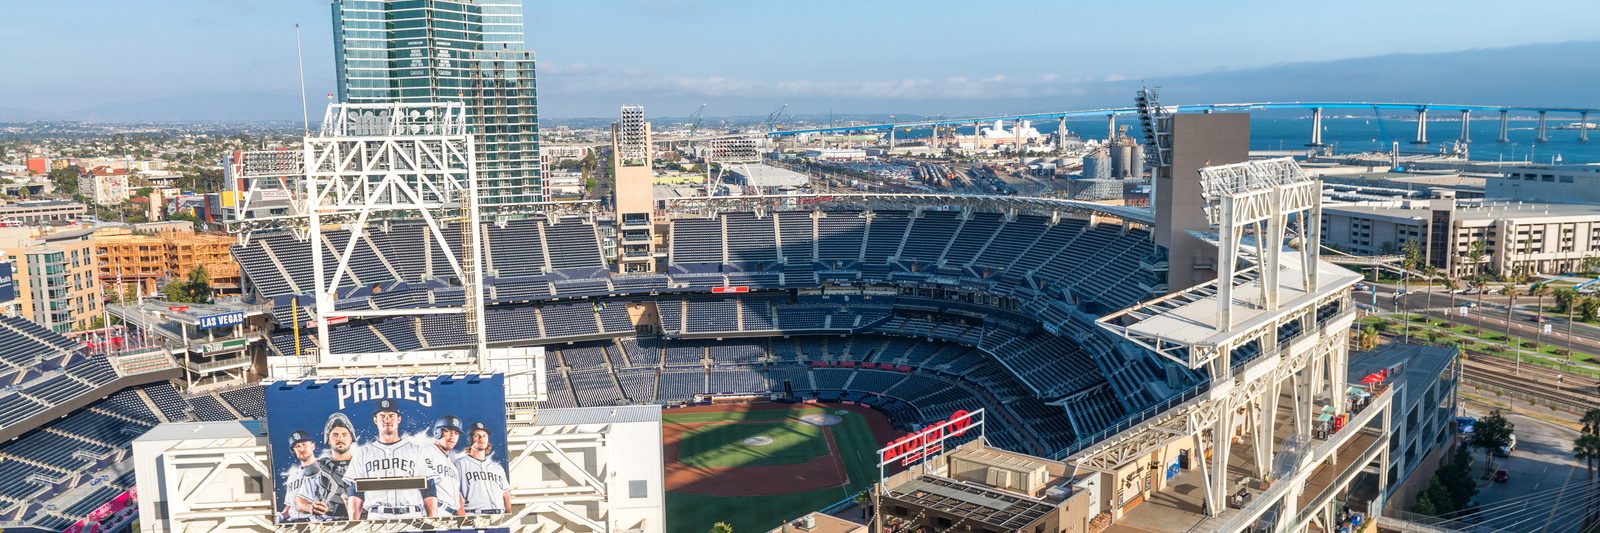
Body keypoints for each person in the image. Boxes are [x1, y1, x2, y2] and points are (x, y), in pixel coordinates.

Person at [342, 399, 433, 519]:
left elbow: (430, 488)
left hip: (412, 515)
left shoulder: (417, 450)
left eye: (391, 415)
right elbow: (355, 491)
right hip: (377, 517)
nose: (387, 419)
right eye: (382, 416)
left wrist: (433, 522)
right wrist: (354, 525)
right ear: (375, 420)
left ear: (399, 419)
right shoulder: (362, 453)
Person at [298, 413, 356, 521]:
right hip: (328, 524)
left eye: (344, 434)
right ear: (328, 439)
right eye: (335, 435)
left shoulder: (364, 464)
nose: (340, 438)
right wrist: (311, 508)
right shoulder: (317, 468)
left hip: (363, 523)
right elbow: (301, 501)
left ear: (351, 438)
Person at [454, 421, 510, 515]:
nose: (481, 438)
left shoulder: (497, 468)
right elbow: (454, 492)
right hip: (473, 515)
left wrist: (508, 514)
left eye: (484, 435)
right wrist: (462, 516)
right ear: (469, 439)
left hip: (499, 515)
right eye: (477, 435)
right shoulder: (460, 464)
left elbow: (506, 495)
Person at [426, 415, 465, 516]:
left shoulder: (451, 464)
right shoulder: (427, 452)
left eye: (456, 433)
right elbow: (424, 485)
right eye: (448, 431)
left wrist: (463, 518)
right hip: (436, 511)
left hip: (452, 515)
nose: (453, 437)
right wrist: (432, 516)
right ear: (437, 432)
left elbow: (457, 494)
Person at [279, 430, 321, 523]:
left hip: (317, 523)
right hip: (295, 525)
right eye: (297, 446)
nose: (301, 449)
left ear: (313, 446)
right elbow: (290, 506)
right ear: (294, 451)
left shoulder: (326, 468)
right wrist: (280, 516)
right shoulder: (292, 476)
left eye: (304, 444)